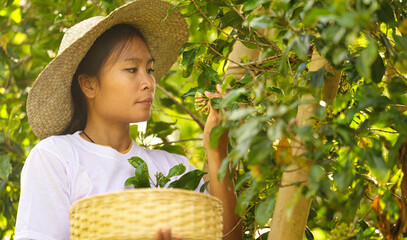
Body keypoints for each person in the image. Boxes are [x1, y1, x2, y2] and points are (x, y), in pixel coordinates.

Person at [14, 0, 242, 239]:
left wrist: (216, 150)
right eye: (132, 69)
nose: (148, 83)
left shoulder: (174, 169)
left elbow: (229, 236)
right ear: (89, 85)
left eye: (150, 70)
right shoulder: (57, 158)